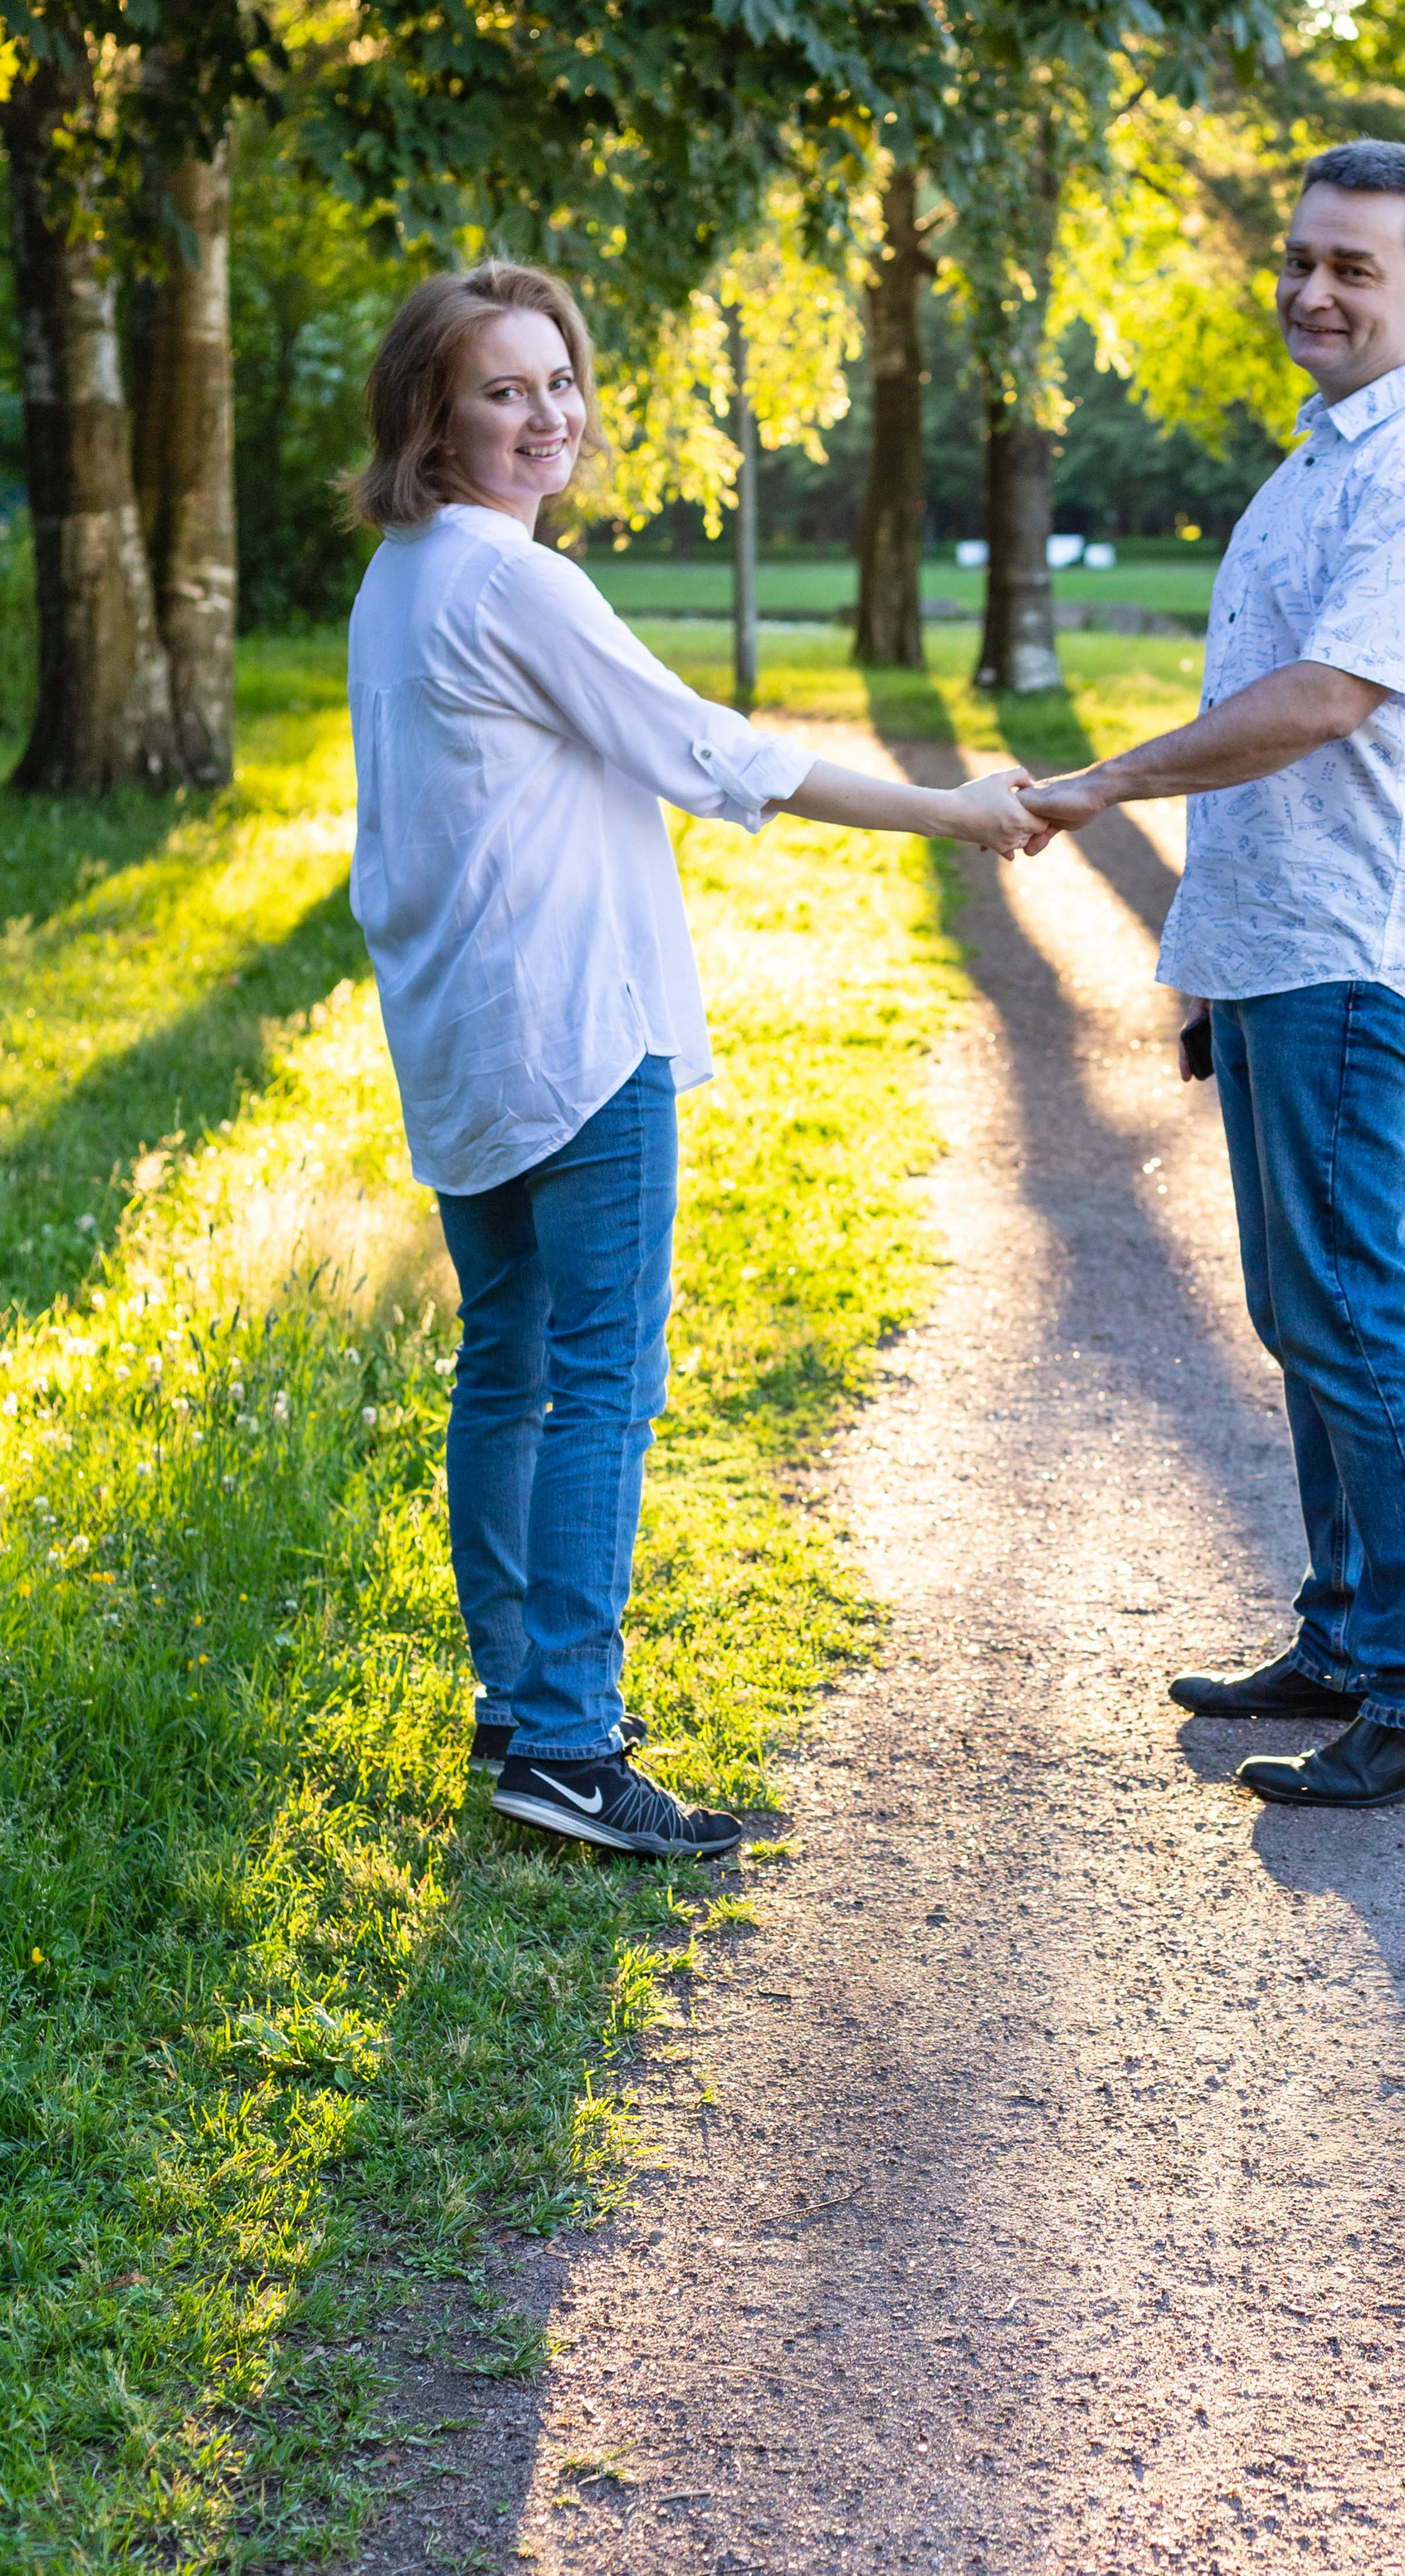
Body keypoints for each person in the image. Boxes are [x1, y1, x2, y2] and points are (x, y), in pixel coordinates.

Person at [346, 262, 1037, 1862]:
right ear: (431, 414)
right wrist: (948, 808)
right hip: (577, 1034)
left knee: (508, 1370)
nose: (547, 417)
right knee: (595, 1379)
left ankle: (524, 1710)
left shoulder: (402, 578)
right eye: (504, 389)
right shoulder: (511, 585)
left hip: (466, 1034)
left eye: (561, 382)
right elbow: (716, 754)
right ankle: (569, 1744)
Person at [1022, 139, 1405, 1809]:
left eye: (1354, 268)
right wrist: (1208, 967)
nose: (1313, 291)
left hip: (1348, 948)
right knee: (1298, 1305)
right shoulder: (1317, 466)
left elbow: (1323, 704)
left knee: (1342, 1306)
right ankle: (1348, 1628)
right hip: (1269, 950)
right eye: (1300, 260)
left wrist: (1104, 781)